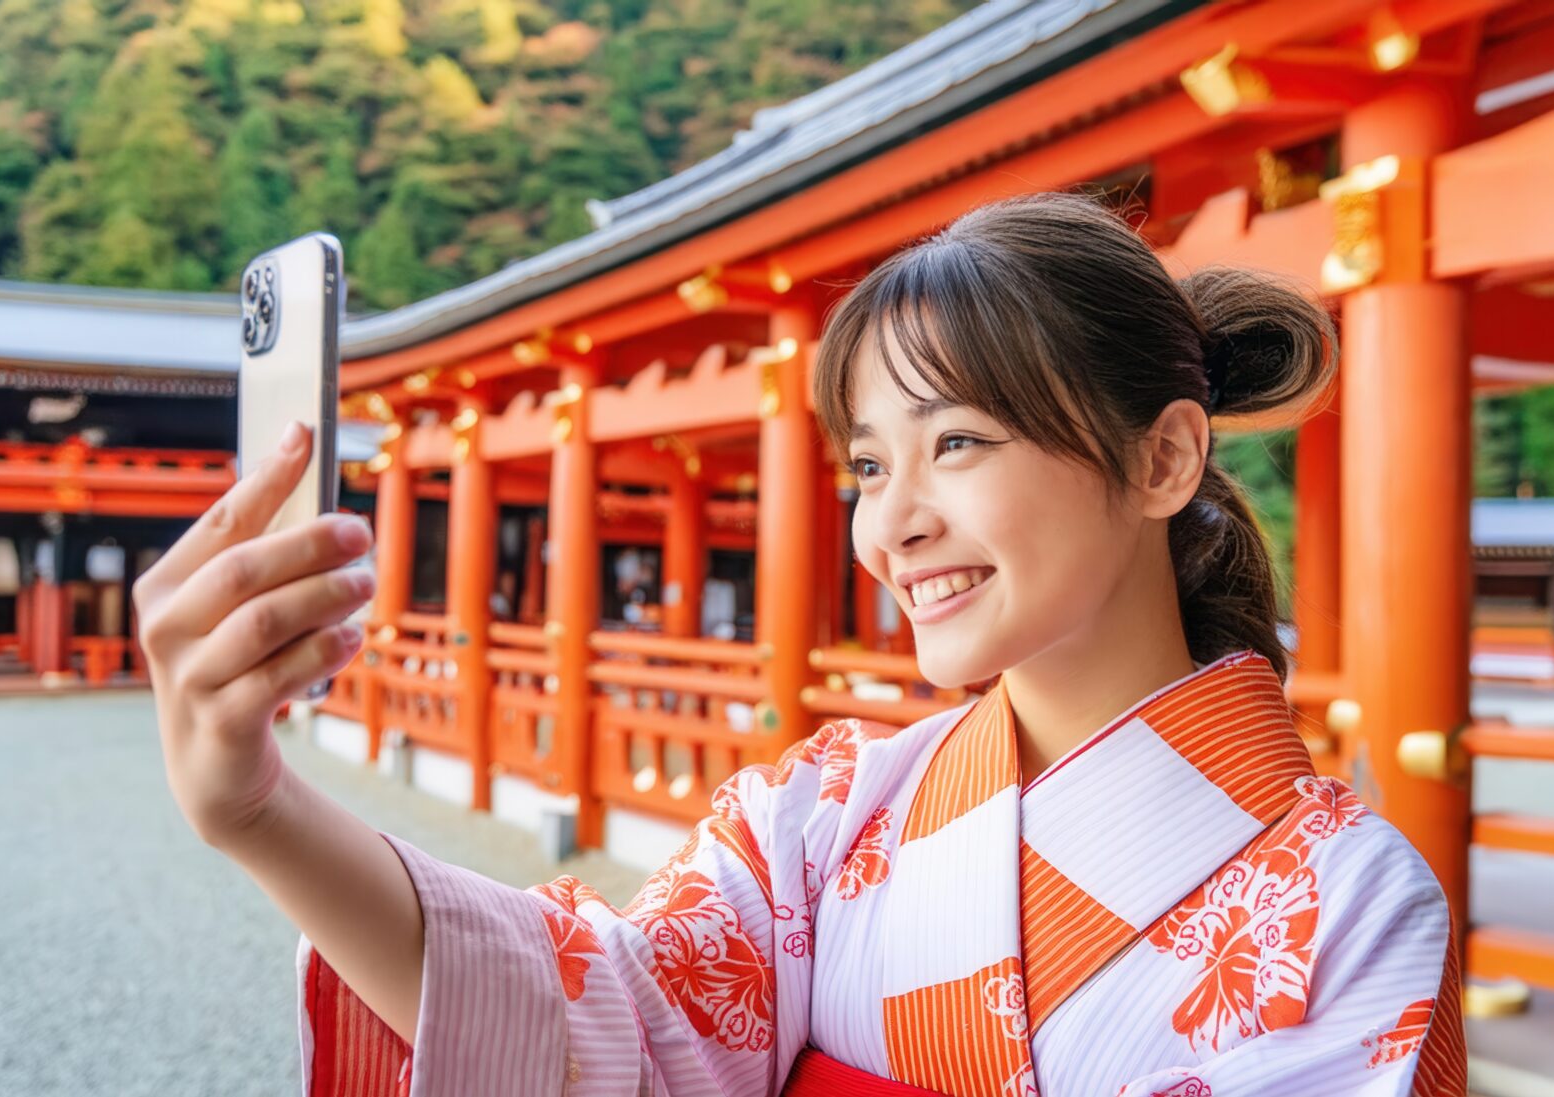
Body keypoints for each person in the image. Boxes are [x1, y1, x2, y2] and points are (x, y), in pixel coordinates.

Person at [135, 192, 1462, 1097]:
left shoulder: (1351, 906)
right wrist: (260, 813)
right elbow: (602, 1021)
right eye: (868, 464)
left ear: (1164, 455)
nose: (894, 521)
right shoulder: (820, 818)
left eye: (957, 442)